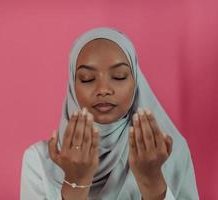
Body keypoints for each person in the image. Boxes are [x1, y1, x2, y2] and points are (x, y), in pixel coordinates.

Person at [20, 27, 199, 200]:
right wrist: (76, 182)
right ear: (72, 87)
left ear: (136, 81)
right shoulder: (39, 160)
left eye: (119, 76)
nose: (103, 89)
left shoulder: (165, 152)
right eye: (87, 79)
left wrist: (153, 184)